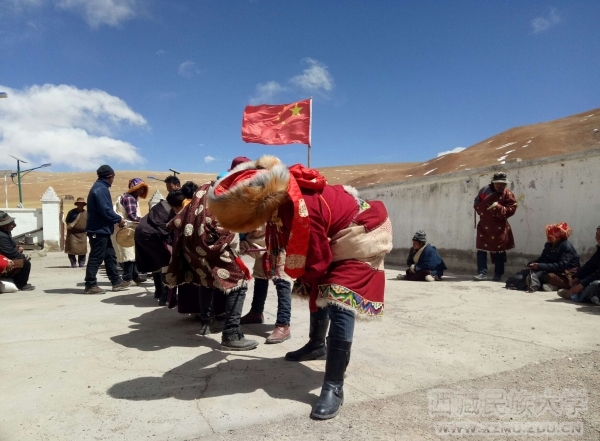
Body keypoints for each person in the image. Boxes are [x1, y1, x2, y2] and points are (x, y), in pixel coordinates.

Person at [208, 155, 393, 420]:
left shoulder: (302, 205)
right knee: (317, 286)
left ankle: (334, 386)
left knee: (339, 297)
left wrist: (308, 273)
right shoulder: (279, 201)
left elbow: (316, 255)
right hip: (333, 234)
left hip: (362, 233)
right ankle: (317, 345)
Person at [165, 181, 256, 350]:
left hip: (196, 250)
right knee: (239, 283)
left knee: (207, 280)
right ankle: (231, 334)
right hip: (213, 249)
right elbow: (223, 226)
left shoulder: (202, 196)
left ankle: (207, 322)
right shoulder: (221, 196)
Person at [239, 225, 293, 344]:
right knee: (260, 277)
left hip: (281, 239)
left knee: (282, 281)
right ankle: (256, 312)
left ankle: (283, 324)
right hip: (267, 237)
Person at [84, 165, 128, 294]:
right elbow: (106, 210)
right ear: (110, 176)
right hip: (98, 230)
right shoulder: (100, 189)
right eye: (113, 177)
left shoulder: (100, 188)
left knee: (109, 256)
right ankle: (90, 284)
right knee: (96, 257)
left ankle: (116, 282)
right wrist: (118, 219)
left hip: (102, 229)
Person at [505, 223, 579, 292]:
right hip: (549, 269)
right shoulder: (549, 245)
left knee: (546, 276)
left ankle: (549, 286)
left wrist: (540, 266)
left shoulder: (566, 246)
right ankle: (540, 286)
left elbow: (561, 266)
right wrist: (534, 264)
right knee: (522, 275)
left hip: (564, 274)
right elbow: (543, 259)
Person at [473, 172, 517, 281]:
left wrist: (498, 207)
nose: (500, 186)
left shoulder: (508, 194)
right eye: (498, 183)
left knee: (499, 250)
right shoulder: (484, 190)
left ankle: (498, 274)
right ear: (493, 182)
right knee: (481, 249)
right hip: (484, 225)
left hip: (499, 226)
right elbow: (477, 204)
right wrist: (485, 208)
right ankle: (482, 272)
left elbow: (511, 210)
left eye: (503, 184)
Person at [134, 196, 172, 305]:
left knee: (155, 261)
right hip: (150, 234)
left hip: (141, 232)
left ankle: (158, 292)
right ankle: (164, 297)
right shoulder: (170, 208)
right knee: (166, 262)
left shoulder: (160, 206)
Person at [112, 178, 148, 286]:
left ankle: (134, 276)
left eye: (142, 189)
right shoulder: (130, 198)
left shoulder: (126, 197)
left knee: (132, 253)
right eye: (139, 188)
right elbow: (132, 216)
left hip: (126, 229)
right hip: (128, 229)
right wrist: (145, 221)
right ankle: (128, 278)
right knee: (129, 254)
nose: (141, 191)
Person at [558, 225, 600, 303]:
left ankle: (576, 295)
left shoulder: (565, 246)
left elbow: (598, 273)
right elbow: (590, 265)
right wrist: (577, 277)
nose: (597, 238)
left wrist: (582, 284)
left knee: (595, 284)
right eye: (597, 235)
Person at [0, 211, 34, 290]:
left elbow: (11, 246)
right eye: (11, 223)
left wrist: (17, 247)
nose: (14, 225)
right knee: (25, 263)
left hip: (5, 258)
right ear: (4, 225)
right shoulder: (1, 236)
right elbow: (10, 253)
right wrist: (23, 257)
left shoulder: (5, 233)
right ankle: (21, 284)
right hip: (3, 260)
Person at [64, 197, 88, 268]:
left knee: (82, 250)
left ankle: (81, 263)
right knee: (71, 249)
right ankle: (73, 263)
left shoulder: (86, 213)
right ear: (77, 204)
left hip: (82, 233)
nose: (81, 205)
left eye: (82, 204)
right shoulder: (71, 212)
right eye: (79, 204)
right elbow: (67, 221)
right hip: (72, 234)